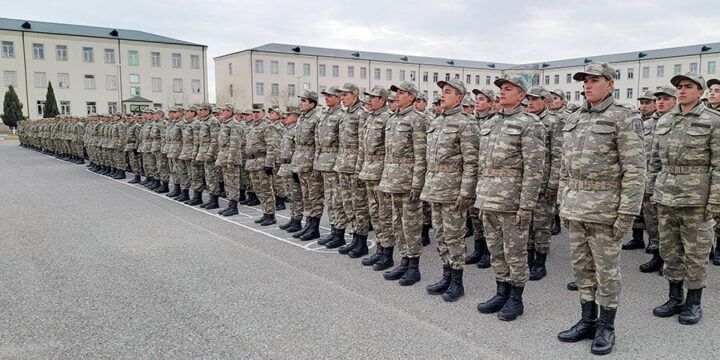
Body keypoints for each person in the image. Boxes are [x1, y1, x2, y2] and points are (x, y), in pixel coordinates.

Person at [557, 63, 645, 355]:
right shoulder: (575, 116)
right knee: (582, 269)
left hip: (606, 210)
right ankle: (587, 320)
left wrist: (627, 213)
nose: (587, 85)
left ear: (610, 84)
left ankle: (607, 326)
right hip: (576, 207)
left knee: (607, 272)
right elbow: (564, 167)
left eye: (594, 80)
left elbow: (635, 169)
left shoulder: (623, 116)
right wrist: (562, 201)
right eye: (585, 81)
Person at [648, 72, 720, 325]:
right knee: (670, 250)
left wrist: (715, 201)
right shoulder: (665, 120)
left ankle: (693, 302)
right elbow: (655, 160)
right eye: (679, 86)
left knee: (696, 252)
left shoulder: (713, 121)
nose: (682, 90)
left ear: (700, 92)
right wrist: (651, 189)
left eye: (688, 86)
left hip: (696, 198)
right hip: (666, 196)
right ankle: (674, 297)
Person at [475, 75, 545, 319]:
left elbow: (534, 169)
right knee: (496, 250)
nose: (502, 92)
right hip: (488, 198)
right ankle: (501, 291)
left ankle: (516, 298)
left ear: (521, 95)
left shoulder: (530, 124)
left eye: (508, 89)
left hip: (512, 201)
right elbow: (482, 164)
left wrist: (526, 205)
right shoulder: (491, 123)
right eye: (501, 89)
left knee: (515, 252)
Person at [422, 78, 479, 299]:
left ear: (459, 97)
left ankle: (457, 281)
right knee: (440, 235)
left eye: (448, 92)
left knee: (454, 237)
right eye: (442, 92)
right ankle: (445, 274)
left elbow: (471, 162)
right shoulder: (437, 122)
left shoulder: (466, 123)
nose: (442, 95)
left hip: (453, 191)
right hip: (435, 188)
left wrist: (466, 192)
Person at [380, 81, 427, 286]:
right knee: (397, 223)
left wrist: (417, 184)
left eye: (401, 93)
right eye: (396, 93)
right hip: (392, 180)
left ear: (412, 97)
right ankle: (403, 260)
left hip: (408, 182)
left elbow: (421, 155)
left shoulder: (417, 120)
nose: (397, 96)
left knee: (411, 225)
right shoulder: (392, 119)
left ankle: (414, 267)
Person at [524, 86, 562, 281]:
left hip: (544, 182)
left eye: (535, 99)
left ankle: (540, 263)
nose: (530, 103)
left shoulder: (554, 122)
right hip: (527, 183)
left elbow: (558, 155)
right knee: (526, 223)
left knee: (541, 225)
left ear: (546, 101)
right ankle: (528, 258)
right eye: (528, 99)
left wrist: (553, 183)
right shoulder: (526, 120)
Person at [639, 87, 676, 273]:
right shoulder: (647, 123)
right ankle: (657, 256)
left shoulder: (678, 121)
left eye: (665, 99)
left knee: (668, 227)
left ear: (675, 101)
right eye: (659, 99)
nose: (660, 102)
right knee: (652, 222)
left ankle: (670, 262)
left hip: (670, 182)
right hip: (649, 179)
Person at [358, 86, 396, 269]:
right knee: (374, 212)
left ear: (382, 100)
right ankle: (379, 248)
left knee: (384, 214)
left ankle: (387, 253)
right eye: (369, 97)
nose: (369, 100)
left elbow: (390, 149)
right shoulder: (371, 118)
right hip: (369, 171)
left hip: (381, 171)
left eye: (373, 98)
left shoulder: (387, 118)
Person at [336, 83, 371, 257]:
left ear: (354, 96)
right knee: (348, 204)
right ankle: (354, 238)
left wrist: (358, 169)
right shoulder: (345, 114)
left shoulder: (361, 114)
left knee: (359, 206)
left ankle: (362, 241)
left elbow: (362, 145)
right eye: (341, 95)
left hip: (354, 166)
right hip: (343, 165)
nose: (342, 98)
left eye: (345, 95)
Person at [464, 88, 496, 269]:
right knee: (474, 214)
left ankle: (488, 251)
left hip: (486, 176)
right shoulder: (470, 121)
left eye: (482, 99)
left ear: (491, 103)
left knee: (486, 216)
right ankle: (478, 248)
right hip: (472, 174)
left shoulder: (494, 122)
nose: (477, 102)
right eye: (476, 99)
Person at [622, 91, 656, 251]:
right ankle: (637, 238)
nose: (643, 106)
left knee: (651, 212)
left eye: (647, 103)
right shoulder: (636, 121)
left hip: (651, 172)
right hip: (637, 171)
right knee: (638, 207)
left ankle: (655, 243)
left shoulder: (659, 122)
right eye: (641, 103)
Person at [314, 87, 346, 247]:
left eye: (330, 96)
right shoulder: (325, 115)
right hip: (324, 162)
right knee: (329, 199)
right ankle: (334, 230)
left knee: (337, 198)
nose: (326, 98)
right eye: (325, 96)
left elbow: (344, 143)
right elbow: (318, 141)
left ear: (339, 98)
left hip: (335, 162)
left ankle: (339, 233)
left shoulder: (341, 116)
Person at [292, 91, 324, 240]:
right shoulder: (302, 118)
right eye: (300, 100)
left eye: (303, 100)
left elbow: (319, 143)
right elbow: (297, 144)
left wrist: (317, 164)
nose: (300, 103)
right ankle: (308, 224)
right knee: (306, 196)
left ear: (312, 103)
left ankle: (314, 227)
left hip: (311, 163)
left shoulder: (317, 118)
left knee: (314, 196)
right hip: (300, 162)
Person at [246, 104, 279, 226]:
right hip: (252, 163)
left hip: (262, 161)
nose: (255, 114)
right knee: (258, 189)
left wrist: (269, 164)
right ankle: (265, 212)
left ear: (263, 112)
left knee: (266, 189)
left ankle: (270, 215)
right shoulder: (252, 126)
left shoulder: (267, 126)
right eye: (253, 112)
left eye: (258, 112)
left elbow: (272, 146)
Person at [277, 106, 304, 232]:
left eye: (289, 115)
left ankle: (297, 220)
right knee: (290, 195)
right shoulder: (287, 129)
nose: (285, 117)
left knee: (296, 195)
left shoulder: (297, 130)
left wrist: (296, 169)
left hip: (293, 166)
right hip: (285, 166)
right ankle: (292, 218)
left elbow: (299, 150)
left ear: (296, 116)